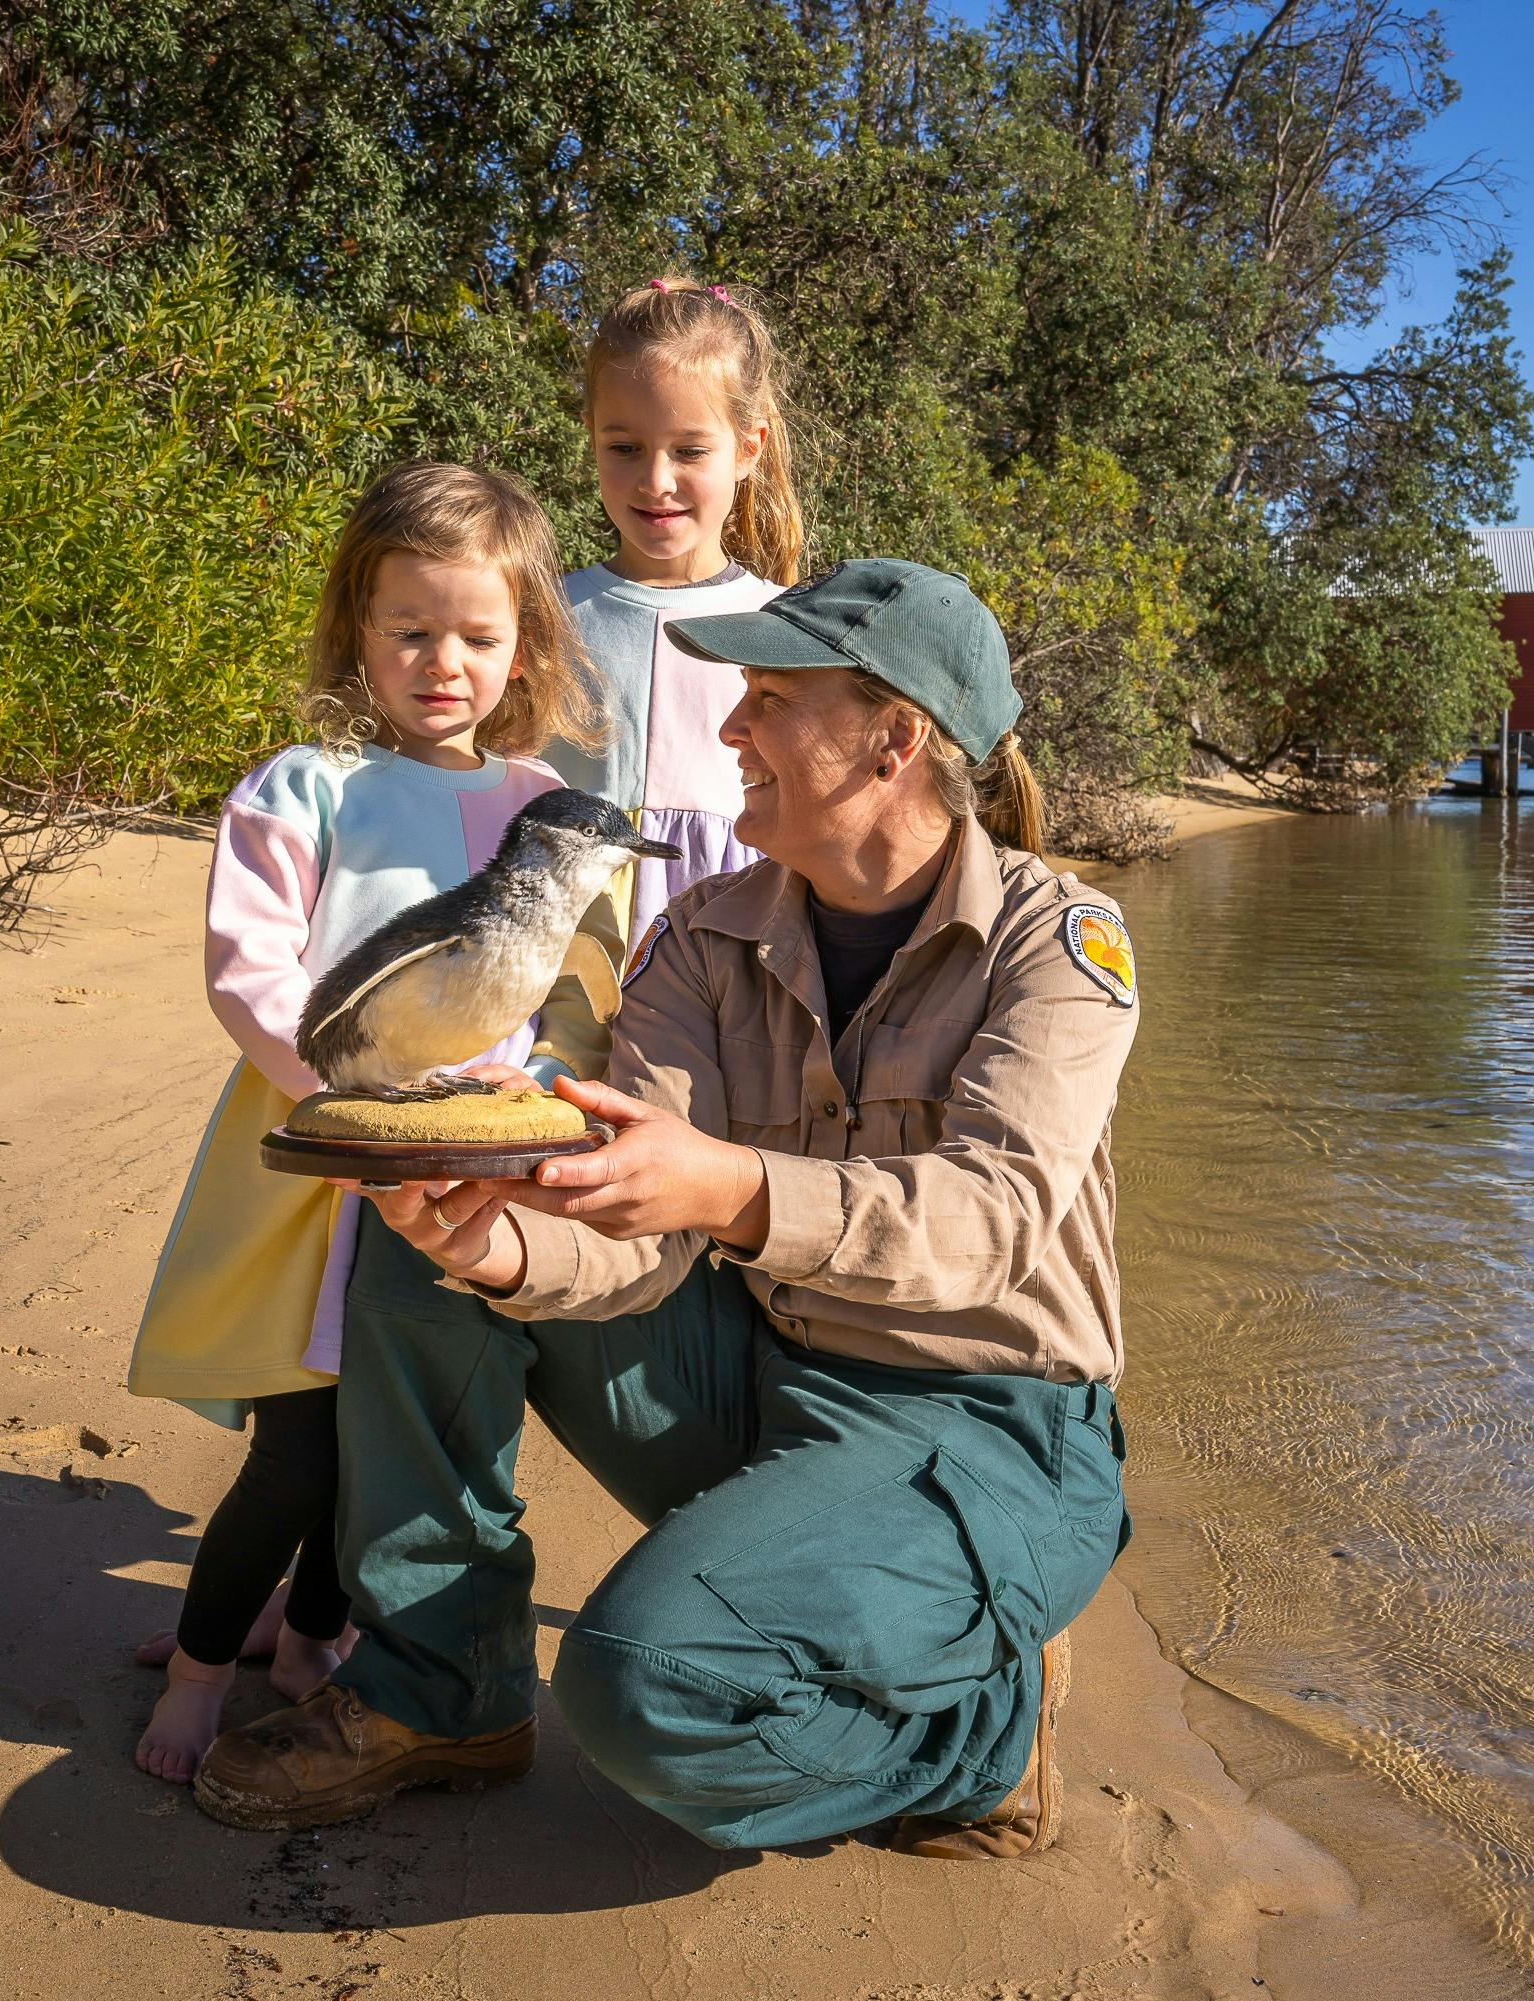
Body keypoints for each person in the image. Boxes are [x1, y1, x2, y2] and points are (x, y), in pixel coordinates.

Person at [192, 561, 1138, 1862]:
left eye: (767, 700)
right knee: (427, 1273)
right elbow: (637, 1228)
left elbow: (991, 1217)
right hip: (765, 1372)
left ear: (895, 742)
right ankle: (439, 1689)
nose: (730, 730)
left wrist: (728, 1185)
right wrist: (507, 1241)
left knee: (640, 1689)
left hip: (993, 1416)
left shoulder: (1056, 941)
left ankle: (983, 1732)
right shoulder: (700, 937)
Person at [122, 462, 609, 1782]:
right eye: (410, 630)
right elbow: (252, 974)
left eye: (477, 635)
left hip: (454, 1169)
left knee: (382, 1450)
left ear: (525, 649)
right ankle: (199, 1667)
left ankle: (310, 1640)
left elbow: (549, 988)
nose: (441, 661)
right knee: (295, 1452)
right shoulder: (306, 787)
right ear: (358, 629)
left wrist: (519, 1099)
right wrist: (353, 1103)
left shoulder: (529, 804)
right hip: (311, 1154)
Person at [551, 276, 805, 937]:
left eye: (689, 450)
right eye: (624, 447)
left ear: (749, 447)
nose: (655, 480)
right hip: (561, 964)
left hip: (729, 955)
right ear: (591, 438)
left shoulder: (791, 630)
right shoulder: (539, 616)